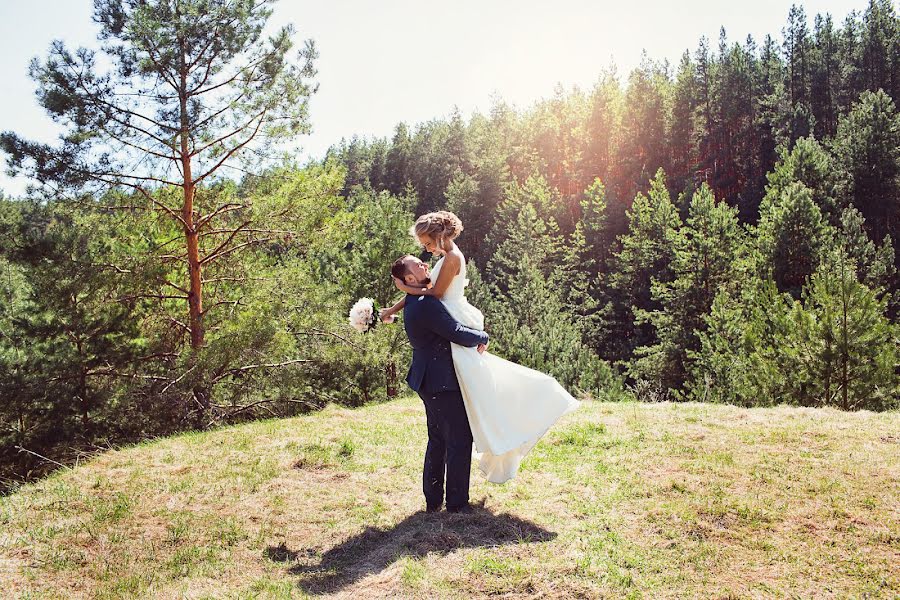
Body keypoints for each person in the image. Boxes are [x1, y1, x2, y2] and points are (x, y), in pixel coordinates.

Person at [382, 211, 579, 484]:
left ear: (439, 236)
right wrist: (395, 304)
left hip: (453, 321)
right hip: (444, 325)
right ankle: (464, 476)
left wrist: (404, 288)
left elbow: (433, 294)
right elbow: (425, 293)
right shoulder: (442, 259)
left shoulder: (452, 259)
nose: (426, 250)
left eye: (427, 243)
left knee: (473, 399)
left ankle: (504, 427)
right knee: (458, 417)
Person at [392, 252, 489, 513]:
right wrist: (483, 336)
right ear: (410, 277)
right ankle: (457, 504)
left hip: (428, 378)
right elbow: (454, 331)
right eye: (417, 264)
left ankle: (433, 499)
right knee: (458, 437)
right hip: (440, 381)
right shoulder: (425, 303)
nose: (424, 263)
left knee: (438, 439)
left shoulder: (417, 298)